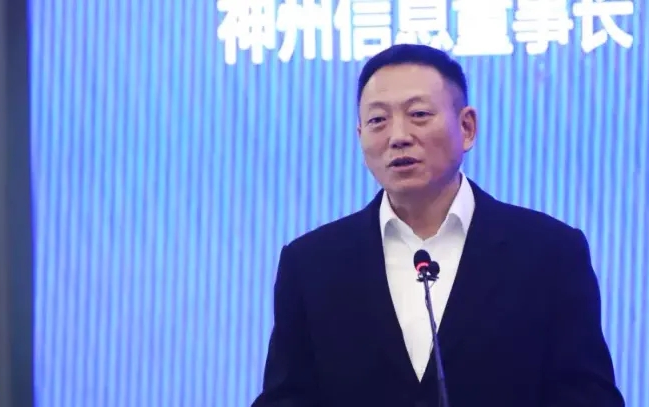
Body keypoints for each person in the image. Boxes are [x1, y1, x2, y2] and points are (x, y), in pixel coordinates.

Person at [251, 44, 624, 407]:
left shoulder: (550, 253)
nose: (398, 136)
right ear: (360, 135)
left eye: (418, 114)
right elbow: (287, 398)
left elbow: (588, 397)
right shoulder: (311, 263)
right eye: (378, 120)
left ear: (467, 127)